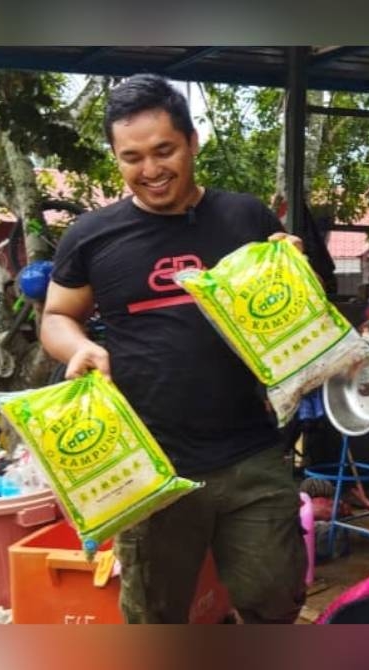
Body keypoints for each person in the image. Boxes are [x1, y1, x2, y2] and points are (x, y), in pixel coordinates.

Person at [40, 73, 307, 623]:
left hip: (252, 454)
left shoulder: (245, 217)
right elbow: (57, 316)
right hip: (151, 466)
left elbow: (295, 316)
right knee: (154, 618)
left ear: (192, 143)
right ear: (116, 158)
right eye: (131, 157)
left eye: (164, 150)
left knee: (274, 602)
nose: (151, 170)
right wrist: (79, 348)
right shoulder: (92, 235)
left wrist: (292, 272)